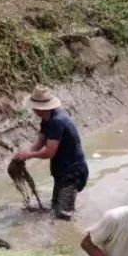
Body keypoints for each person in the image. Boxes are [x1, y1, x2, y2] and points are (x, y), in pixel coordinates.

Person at [12, 85, 88, 220]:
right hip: (62, 172)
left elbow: (49, 152)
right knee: (55, 208)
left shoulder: (57, 122)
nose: (33, 109)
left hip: (72, 174)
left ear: (39, 107)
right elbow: (40, 142)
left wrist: (29, 155)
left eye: (33, 106)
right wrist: (25, 154)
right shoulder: (47, 120)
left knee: (63, 215)